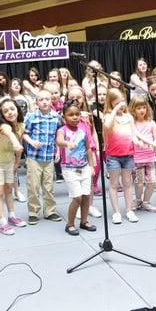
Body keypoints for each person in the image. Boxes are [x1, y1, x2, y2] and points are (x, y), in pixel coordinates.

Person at [56, 100, 97, 236]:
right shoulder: (62, 131)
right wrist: (68, 144)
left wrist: (91, 166)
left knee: (86, 196)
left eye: (77, 114)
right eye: (70, 115)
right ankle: (70, 224)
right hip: (69, 169)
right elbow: (59, 141)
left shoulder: (83, 131)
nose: (74, 117)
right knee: (77, 197)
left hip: (84, 167)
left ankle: (84, 221)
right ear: (64, 116)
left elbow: (88, 149)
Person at [23, 88, 63, 225]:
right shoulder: (31, 117)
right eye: (41, 100)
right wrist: (31, 142)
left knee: (49, 186)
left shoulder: (56, 117)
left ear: (51, 101)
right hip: (34, 157)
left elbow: (58, 136)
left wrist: (58, 151)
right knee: (33, 186)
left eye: (47, 99)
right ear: (36, 102)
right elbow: (24, 133)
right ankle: (33, 212)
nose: (44, 102)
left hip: (48, 157)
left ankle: (50, 211)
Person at [0, 99, 27, 235]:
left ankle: (12, 216)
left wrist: (17, 162)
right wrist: (16, 144)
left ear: (17, 109)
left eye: (12, 109)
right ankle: (2, 222)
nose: (9, 112)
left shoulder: (21, 125)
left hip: (10, 161)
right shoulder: (3, 127)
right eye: (5, 111)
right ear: (2, 115)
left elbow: (19, 143)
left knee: (9, 189)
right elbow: (11, 135)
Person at [103, 88, 140, 224]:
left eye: (123, 101)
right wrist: (114, 110)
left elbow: (133, 135)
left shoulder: (129, 117)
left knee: (127, 183)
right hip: (113, 156)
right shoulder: (108, 116)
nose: (121, 105)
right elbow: (107, 126)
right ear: (111, 103)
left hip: (128, 155)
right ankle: (116, 212)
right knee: (113, 184)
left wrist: (139, 142)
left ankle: (129, 210)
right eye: (117, 103)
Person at [129, 96, 156, 213]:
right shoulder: (132, 123)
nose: (142, 110)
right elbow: (133, 137)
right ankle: (138, 200)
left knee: (152, 182)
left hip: (150, 158)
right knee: (139, 183)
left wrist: (155, 144)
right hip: (138, 159)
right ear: (133, 110)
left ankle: (146, 202)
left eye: (144, 107)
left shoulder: (151, 123)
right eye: (138, 108)